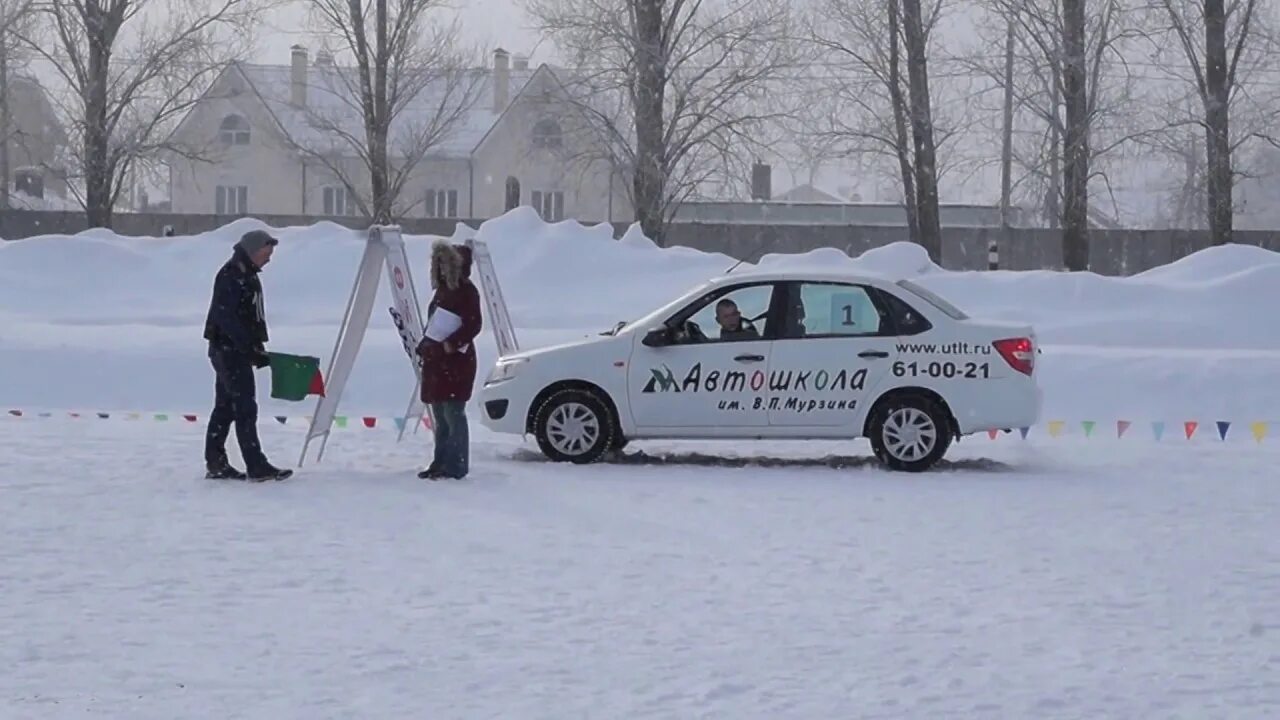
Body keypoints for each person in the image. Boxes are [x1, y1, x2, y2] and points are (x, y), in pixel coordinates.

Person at [202, 229, 293, 481]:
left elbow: (250, 318)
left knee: (225, 408)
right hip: (228, 351)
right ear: (253, 251)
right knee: (244, 408)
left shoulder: (246, 274)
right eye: (266, 253)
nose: (269, 259)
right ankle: (256, 465)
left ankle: (216, 462)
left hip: (232, 349)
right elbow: (227, 318)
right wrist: (248, 348)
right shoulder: (232, 275)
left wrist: (256, 347)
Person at [416, 241, 482, 480]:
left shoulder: (467, 291)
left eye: (447, 264)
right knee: (441, 416)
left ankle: (456, 464)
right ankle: (441, 461)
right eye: (439, 264)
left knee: (454, 413)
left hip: (456, 362)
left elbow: (474, 324)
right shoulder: (442, 291)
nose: (442, 269)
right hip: (437, 361)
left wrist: (450, 344)